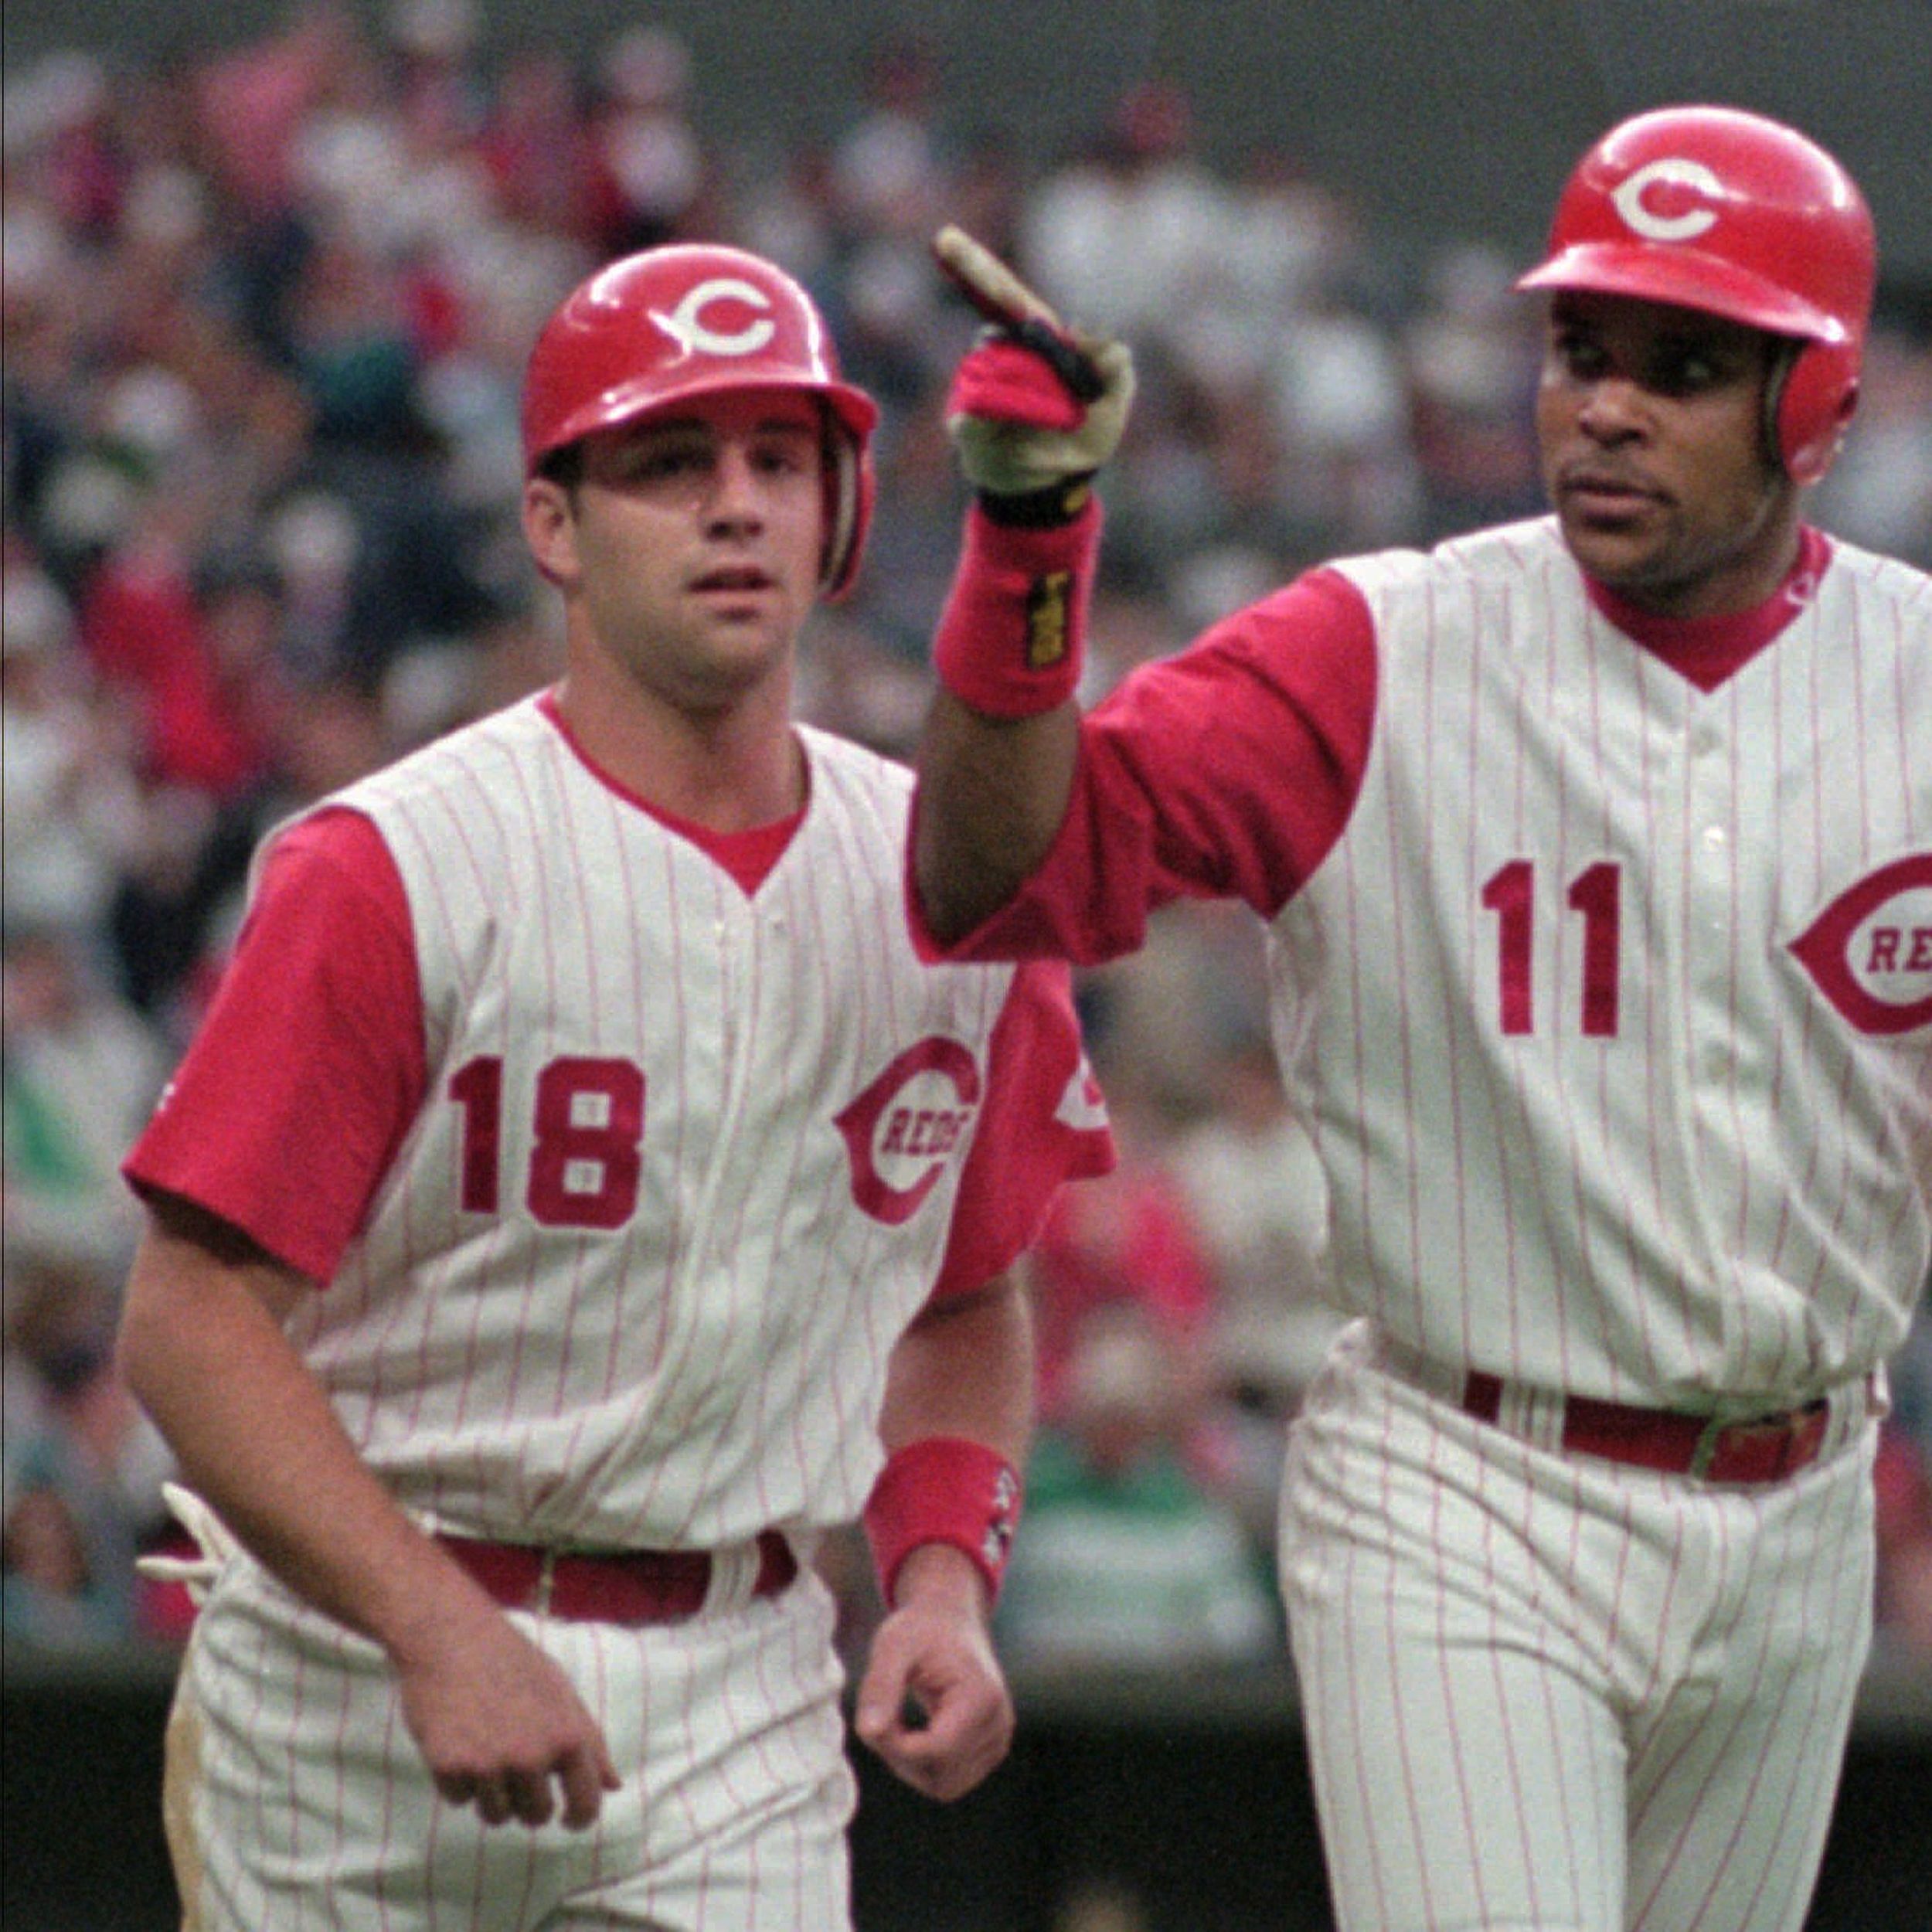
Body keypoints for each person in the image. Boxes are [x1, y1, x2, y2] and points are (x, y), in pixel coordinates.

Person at [911, 107, 1930, 1932]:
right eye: (1579, 350)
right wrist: (1027, 551)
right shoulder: (1370, 652)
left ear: (1814, 411)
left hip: (1798, 1498)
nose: (1603, 406)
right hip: (1470, 1476)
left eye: (1682, 368)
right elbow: (997, 879)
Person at [113, 241, 1114, 1930]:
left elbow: (966, 1291)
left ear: (843, 514)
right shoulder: (397, 864)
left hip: (737, 1686)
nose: (735, 506)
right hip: (356, 1678)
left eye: (777, 462)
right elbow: (190, 1321)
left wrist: (941, 1578)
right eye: (669, 461)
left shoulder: (950, 874)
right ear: (554, 526)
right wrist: (435, 1625)